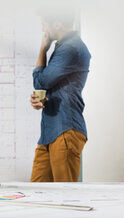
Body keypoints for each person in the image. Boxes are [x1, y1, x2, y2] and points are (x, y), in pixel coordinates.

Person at [30, 5, 91, 182]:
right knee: (37, 193)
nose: (43, 29)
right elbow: (47, 86)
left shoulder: (72, 48)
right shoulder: (63, 47)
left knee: (65, 198)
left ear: (56, 24)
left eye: (44, 24)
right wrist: (38, 99)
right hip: (50, 132)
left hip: (65, 130)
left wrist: (42, 49)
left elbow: (40, 81)